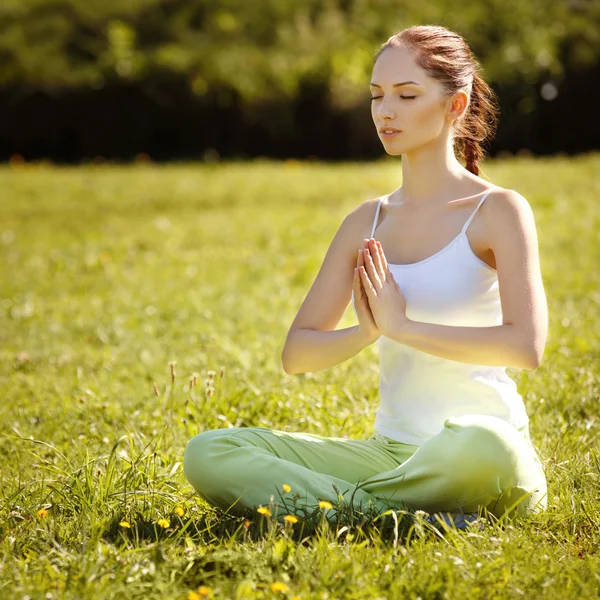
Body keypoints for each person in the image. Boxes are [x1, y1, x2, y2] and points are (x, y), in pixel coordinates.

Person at [183, 24, 548, 528]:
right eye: (377, 96)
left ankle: (346, 507)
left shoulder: (497, 211)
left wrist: (405, 329)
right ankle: (399, 515)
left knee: (486, 444)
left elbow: (525, 347)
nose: (385, 111)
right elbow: (297, 355)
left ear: (455, 106)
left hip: (481, 453)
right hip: (389, 455)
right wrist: (366, 331)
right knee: (210, 452)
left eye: (406, 94)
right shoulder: (366, 222)